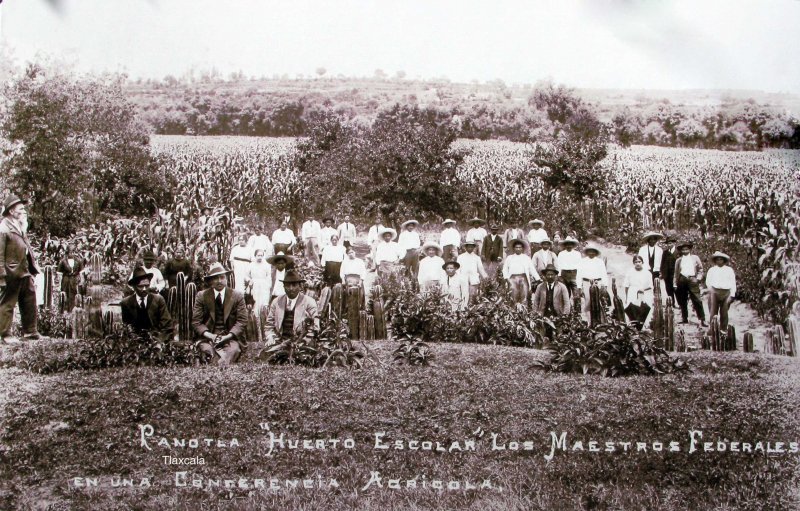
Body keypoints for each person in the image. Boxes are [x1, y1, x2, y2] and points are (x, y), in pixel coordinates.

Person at [0, 195, 40, 343]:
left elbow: (26, 249)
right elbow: (0, 254)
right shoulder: (3, 228)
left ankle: (30, 332)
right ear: (11, 211)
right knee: (8, 303)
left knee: (29, 299)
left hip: (24, 270)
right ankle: (5, 335)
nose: (24, 211)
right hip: (11, 272)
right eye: (21, 209)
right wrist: (1, 275)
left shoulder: (20, 225)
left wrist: (33, 267)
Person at [192, 263, 249, 365]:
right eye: (215, 278)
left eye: (222, 277)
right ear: (210, 281)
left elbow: (242, 321)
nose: (219, 281)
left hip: (230, 337)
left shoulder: (237, 296)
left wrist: (227, 336)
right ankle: (217, 360)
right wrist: (210, 336)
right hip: (208, 337)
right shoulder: (202, 296)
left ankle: (219, 362)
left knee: (234, 350)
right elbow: (196, 322)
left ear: (226, 279)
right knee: (207, 350)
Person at [265, 270, 319, 345]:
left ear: (300, 286)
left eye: (294, 285)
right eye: (287, 285)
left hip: (301, 342)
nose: (291, 288)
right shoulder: (276, 302)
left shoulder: (309, 302)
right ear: (283, 286)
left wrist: (304, 341)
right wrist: (271, 337)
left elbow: (315, 327)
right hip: (280, 341)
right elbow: (269, 325)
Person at [120, 266, 174, 341]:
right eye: (140, 286)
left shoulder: (158, 300)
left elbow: (167, 326)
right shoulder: (126, 303)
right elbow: (127, 327)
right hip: (135, 343)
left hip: (156, 341)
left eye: (147, 285)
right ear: (134, 287)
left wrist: (158, 343)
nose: (144, 289)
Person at [673, 241, 707, 326]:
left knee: (697, 299)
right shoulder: (679, 260)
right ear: (681, 251)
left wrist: (698, 279)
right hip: (682, 279)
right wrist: (675, 283)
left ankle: (702, 319)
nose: (685, 251)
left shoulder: (695, 258)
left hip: (692, 279)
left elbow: (700, 270)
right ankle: (684, 318)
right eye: (683, 250)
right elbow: (675, 273)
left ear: (690, 249)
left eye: (686, 249)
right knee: (682, 300)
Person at [502, 239, 540, 306]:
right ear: (514, 248)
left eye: (520, 247)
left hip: (523, 278)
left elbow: (532, 269)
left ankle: (524, 313)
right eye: (516, 247)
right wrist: (507, 279)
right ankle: (513, 312)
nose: (518, 249)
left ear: (522, 248)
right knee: (513, 296)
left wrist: (538, 278)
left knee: (524, 295)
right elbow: (504, 269)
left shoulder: (526, 258)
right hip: (512, 278)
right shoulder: (509, 258)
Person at [705, 251, 736, 330]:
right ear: (715, 261)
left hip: (726, 292)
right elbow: (708, 281)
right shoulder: (712, 270)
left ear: (724, 261)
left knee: (724, 312)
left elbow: (733, 282)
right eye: (717, 260)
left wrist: (732, 295)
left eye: (721, 259)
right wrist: (711, 290)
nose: (719, 261)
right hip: (715, 291)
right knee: (713, 311)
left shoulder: (729, 270)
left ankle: (723, 329)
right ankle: (712, 329)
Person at [576, 243, 610, 314]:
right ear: (587, 252)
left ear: (595, 252)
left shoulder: (600, 261)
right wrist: (579, 287)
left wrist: (605, 285)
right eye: (589, 251)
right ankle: (589, 322)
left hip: (598, 283)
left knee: (598, 302)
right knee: (588, 302)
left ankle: (599, 321)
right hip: (586, 283)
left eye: (593, 251)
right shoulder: (582, 261)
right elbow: (579, 275)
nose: (591, 253)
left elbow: (604, 274)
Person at [623, 255, 655, 329]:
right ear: (633, 263)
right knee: (632, 309)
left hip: (644, 292)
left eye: (639, 262)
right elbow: (626, 285)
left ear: (642, 262)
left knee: (644, 308)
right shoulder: (630, 272)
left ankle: (644, 326)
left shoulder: (647, 273)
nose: (638, 263)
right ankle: (633, 326)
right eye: (636, 262)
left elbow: (651, 286)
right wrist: (627, 297)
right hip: (632, 292)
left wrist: (643, 289)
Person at [457, 240, 487, 304]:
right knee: (464, 294)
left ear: (474, 248)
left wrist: (486, 277)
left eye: (471, 247)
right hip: (463, 277)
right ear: (465, 247)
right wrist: (457, 278)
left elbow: (481, 269)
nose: (470, 248)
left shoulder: (477, 258)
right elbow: (458, 269)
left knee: (473, 294)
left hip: (473, 278)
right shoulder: (460, 257)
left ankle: (472, 308)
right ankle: (463, 308)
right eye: (468, 247)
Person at [56, 245, 83, 312]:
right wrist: (59, 283)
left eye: (73, 252)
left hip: (74, 279)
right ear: (67, 252)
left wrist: (81, 280)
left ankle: (72, 308)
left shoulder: (78, 260)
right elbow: (59, 273)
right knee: (65, 293)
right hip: (66, 279)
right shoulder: (63, 261)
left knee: (73, 293)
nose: (72, 253)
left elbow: (81, 272)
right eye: (70, 252)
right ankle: (64, 309)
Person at [660, 236, 678, 306]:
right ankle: (672, 302)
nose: (669, 245)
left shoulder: (678, 252)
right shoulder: (665, 252)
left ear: (674, 243)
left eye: (670, 243)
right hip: (667, 274)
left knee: (676, 289)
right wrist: (662, 272)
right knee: (668, 289)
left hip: (675, 274)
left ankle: (679, 303)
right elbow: (662, 263)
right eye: (668, 243)